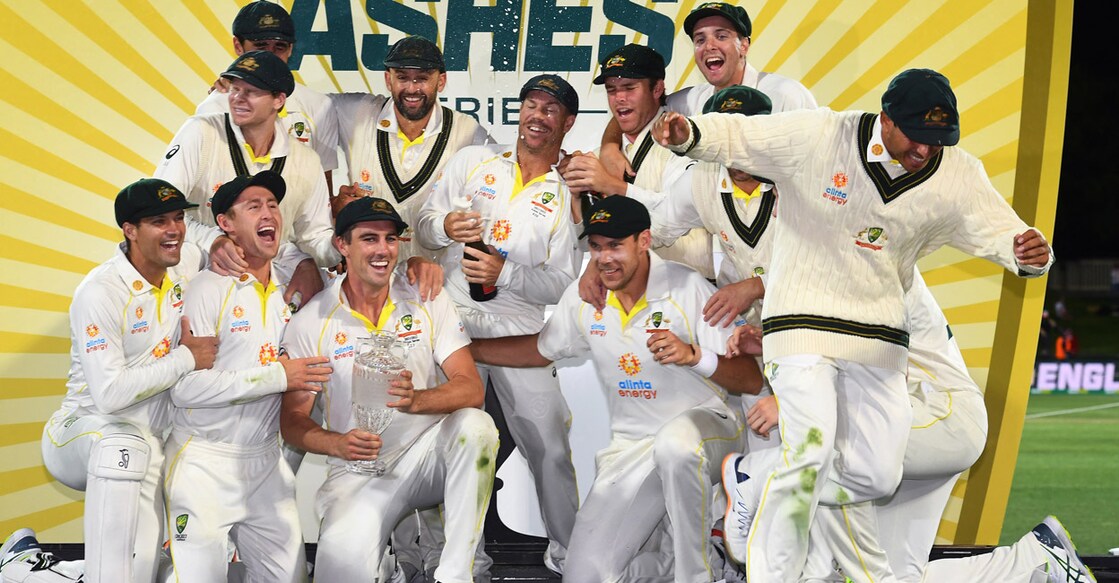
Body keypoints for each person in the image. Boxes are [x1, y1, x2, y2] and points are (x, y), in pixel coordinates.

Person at [654, 68, 1054, 582]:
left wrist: (1030, 255)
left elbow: (1006, 233)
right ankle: (772, 543)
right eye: (917, 135)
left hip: (879, 341)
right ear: (885, 118)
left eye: (939, 139)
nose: (927, 150)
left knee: (875, 475)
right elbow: (746, 135)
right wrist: (692, 136)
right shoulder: (823, 135)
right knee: (811, 455)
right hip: (802, 322)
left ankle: (759, 481)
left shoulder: (954, 174)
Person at [727, 269, 1095, 583]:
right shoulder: (841, 261)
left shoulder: (869, 256)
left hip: (940, 415)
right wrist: (771, 343)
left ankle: (754, 474)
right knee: (897, 577)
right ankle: (1040, 557)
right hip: (925, 425)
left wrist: (792, 400)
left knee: (836, 459)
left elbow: (868, 357)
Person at [469, 195, 763, 581]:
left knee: (676, 445)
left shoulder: (687, 287)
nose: (604, 258)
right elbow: (541, 350)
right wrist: (464, 350)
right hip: (630, 449)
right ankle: (676, 566)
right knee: (586, 576)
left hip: (711, 431)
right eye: (595, 247)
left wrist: (695, 356)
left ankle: (698, 573)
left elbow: (751, 378)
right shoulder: (584, 296)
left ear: (644, 241)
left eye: (615, 246)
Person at [326, 34, 490, 581]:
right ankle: (391, 547)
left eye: (423, 77)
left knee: (463, 424)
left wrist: (430, 254)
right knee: (373, 410)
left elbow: (493, 200)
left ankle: (459, 559)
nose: (411, 86)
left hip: (429, 288)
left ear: (441, 81)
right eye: (401, 76)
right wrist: (221, 95)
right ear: (388, 79)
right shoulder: (353, 114)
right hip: (362, 289)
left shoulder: (470, 134)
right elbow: (284, 106)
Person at [280, 197, 498, 582]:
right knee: (341, 572)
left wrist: (419, 400)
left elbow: (470, 388)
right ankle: (383, 561)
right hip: (357, 470)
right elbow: (293, 421)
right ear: (341, 245)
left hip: (425, 458)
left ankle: (455, 574)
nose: (383, 250)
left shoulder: (426, 298)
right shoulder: (311, 321)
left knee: (475, 427)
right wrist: (336, 443)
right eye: (369, 239)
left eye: (391, 239)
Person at [414, 75, 582, 573]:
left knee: (550, 444)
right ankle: (459, 562)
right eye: (531, 104)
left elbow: (565, 283)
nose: (537, 115)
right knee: (444, 439)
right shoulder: (473, 161)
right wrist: (444, 227)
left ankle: (572, 557)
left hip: (518, 328)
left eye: (551, 109)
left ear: (567, 122)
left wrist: (505, 273)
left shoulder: (569, 189)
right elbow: (425, 222)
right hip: (453, 319)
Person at [36, 179, 217, 583]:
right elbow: (110, 394)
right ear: (129, 230)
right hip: (83, 432)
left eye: (178, 218)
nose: (174, 229)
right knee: (124, 444)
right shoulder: (99, 291)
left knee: (138, 571)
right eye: (158, 221)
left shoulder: (184, 261)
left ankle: (25, 566)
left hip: (149, 444)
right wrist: (187, 357)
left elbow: (220, 251)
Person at [162, 172, 332, 581]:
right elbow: (184, 388)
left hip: (265, 464)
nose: (268, 211)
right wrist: (278, 376)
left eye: (273, 205)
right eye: (253, 206)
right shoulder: (204, 288)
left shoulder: (291, 294)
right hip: (203, 462)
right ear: (225, 224)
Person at [155, 50, 339, 288]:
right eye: (235, 88)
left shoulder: (306, 161)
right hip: (196, 280)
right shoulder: (200, 132)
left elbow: (314, 238)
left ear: (278, 100)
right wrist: (213, 240)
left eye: (251, 91)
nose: (238, 98)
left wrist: (339, 244)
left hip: (266, 290)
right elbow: (159, 212)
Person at [561, 43, 712, 278]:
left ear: (657, 89)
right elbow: (584, 243)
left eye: (629, 88)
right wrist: (578, 197)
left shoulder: (682, 144)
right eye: (612, 90)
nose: (619, 98)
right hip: (625, 296)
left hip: (686, 293)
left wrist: (612, 186)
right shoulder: (601, 155)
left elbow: (675, 218)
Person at [196, 0, 338, 190]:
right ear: (238, 46)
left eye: (279, 46)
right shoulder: (213, 107)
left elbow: (323, 190)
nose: (270, 55)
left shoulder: (319, 105)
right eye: (260, 45)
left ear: (291, 49)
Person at [668, 2, 817, 115]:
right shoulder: (686, 104)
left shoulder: (785, 95)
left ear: (744, 46)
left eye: (721, 36)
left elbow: (818, 152)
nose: (709, 46)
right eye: (700, 40)